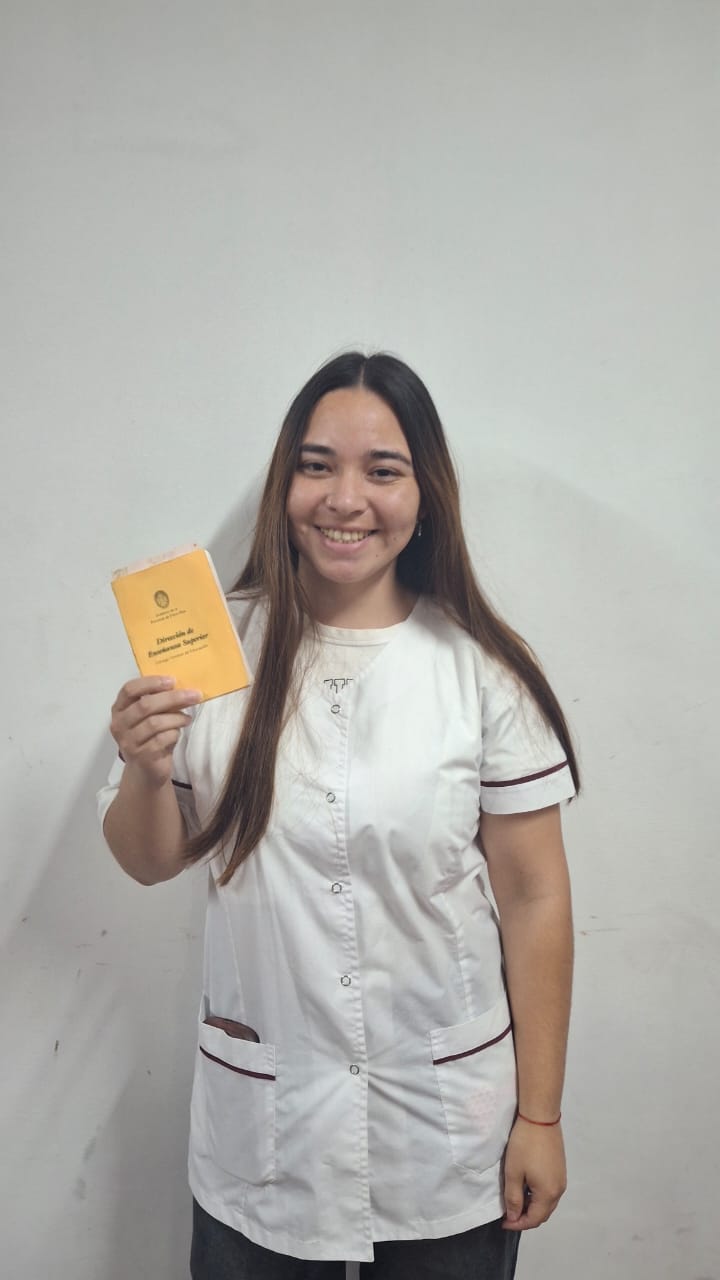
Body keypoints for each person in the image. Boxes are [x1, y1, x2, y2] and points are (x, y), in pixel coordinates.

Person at [98, 351, 578, 1279]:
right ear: (285, 483)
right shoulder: (211, 649)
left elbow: (534, 897)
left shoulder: (480, 670)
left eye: (382, 470)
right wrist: (146, 772)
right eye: (317, 466)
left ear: (425, 497)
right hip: (265, 1127)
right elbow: (149, 861)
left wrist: (542, 1116)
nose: (344, 499)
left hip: (445, 1125)